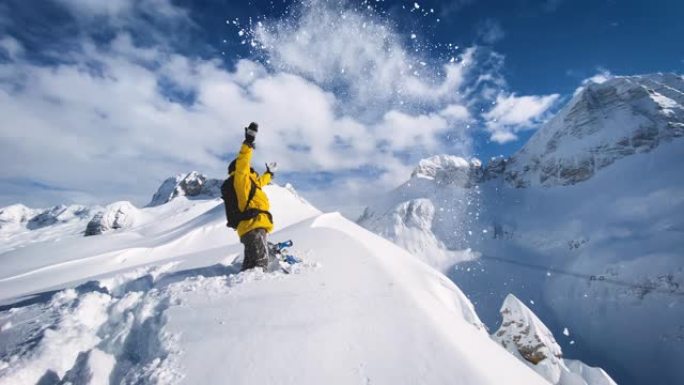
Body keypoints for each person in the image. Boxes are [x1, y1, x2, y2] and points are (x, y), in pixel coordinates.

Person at [228, 122, 277, 271]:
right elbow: (243, 161)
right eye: (250, 168)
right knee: (259, 265)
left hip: (256, 225)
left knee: (251, 267)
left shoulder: (251, 184)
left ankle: (243, 288)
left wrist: (269, 173)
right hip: (252, 226)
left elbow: (261, 182)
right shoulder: (241, 179)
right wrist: (248, 142)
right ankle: (256, 291)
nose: (251, 168)